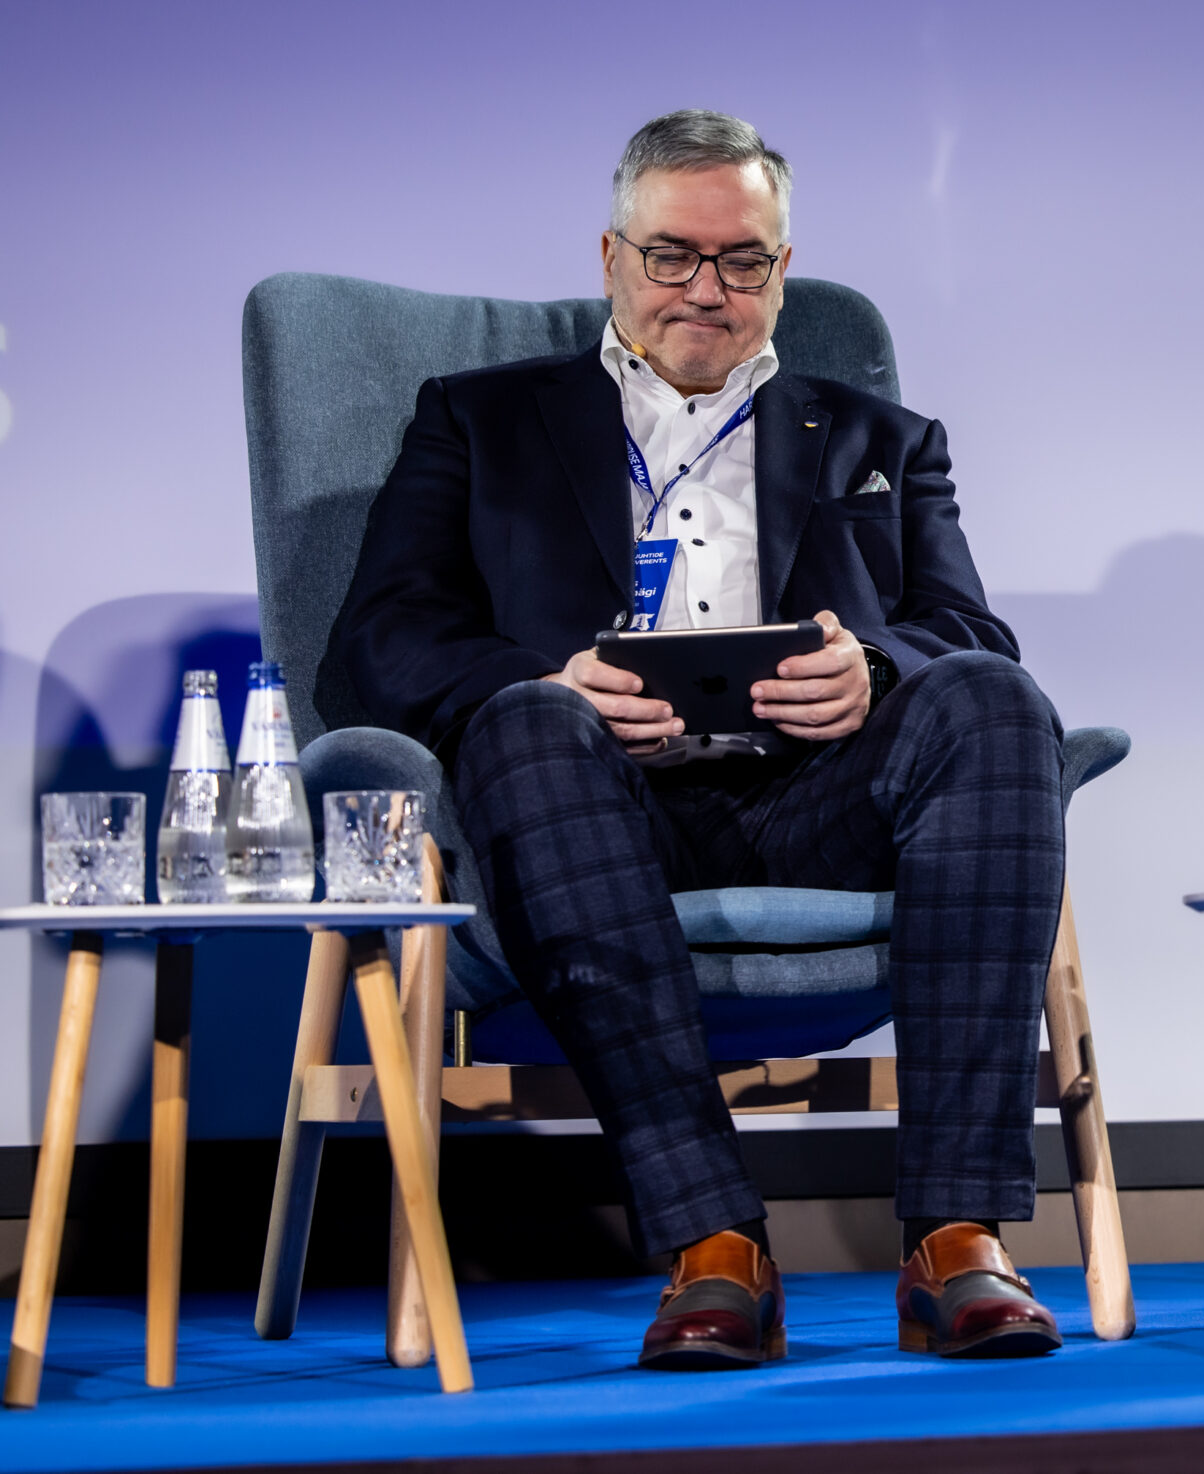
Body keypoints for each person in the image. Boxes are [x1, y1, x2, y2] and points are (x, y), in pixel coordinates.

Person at [330, 110, 1069, 1369]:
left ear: (782, 269)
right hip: (583, 807)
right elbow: (383, 636)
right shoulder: (477, 419)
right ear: (611, 257)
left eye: (742, 261)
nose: (705, 289)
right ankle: (714, 1243)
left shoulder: (881, 440)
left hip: (819, 803)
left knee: (995, 697)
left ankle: (957, 1238)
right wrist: (553, 678)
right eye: (672, 255)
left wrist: (872, 667)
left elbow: (966, 629)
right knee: (528, 721)